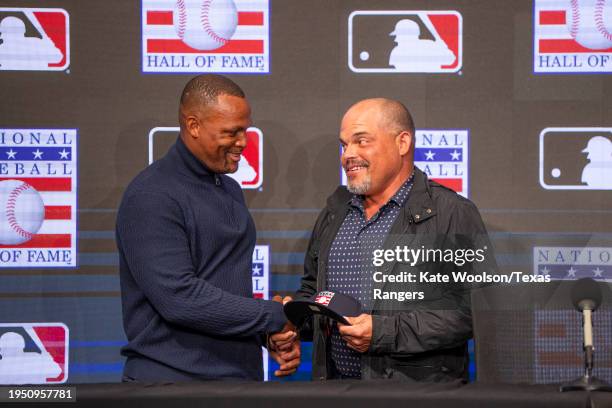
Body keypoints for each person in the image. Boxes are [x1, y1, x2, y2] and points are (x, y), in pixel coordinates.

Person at [287, 98, 491, 381]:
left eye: (361, 141)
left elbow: (474, 311)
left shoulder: (452, 212)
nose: (348, 154)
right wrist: (292, 321)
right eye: (344, 145)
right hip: (333, 392)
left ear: (402, 143)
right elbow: (314, 289)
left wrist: (383, 333)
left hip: (415, 397)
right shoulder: (334, 213)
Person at [116, 74, 299, 382]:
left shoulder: (229, 189)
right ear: (193, 125)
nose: (243, 142)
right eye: (231, 132)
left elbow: (222, 287)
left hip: (235, 380)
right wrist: (273, 317)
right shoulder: (151, 194)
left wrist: (265, 336)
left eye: (245, 130)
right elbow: (179, 298)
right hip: (173, 384)